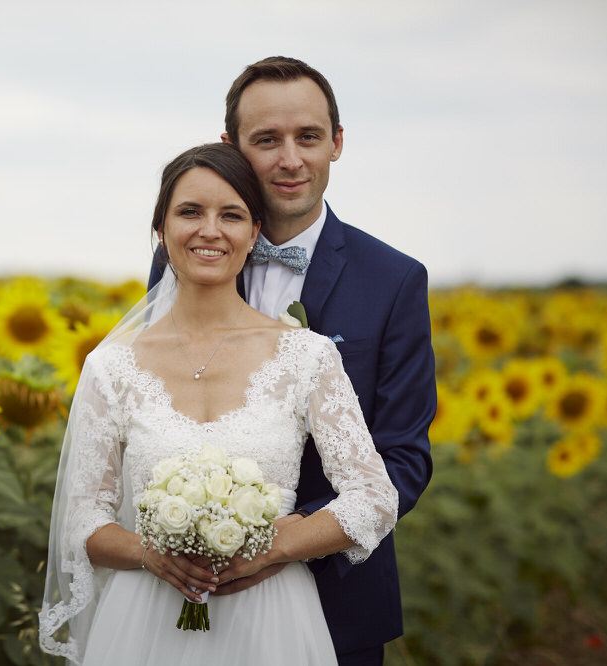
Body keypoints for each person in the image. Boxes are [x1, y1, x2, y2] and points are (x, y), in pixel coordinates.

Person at [39, 142, 398, 665]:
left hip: (271, 620)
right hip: (144, 621)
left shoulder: (307, 356)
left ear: (254, 233)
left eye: (231, 215)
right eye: (190, 212)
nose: (210, 230)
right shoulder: (111, 367)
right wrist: (149, 553)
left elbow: (373, 496)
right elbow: (82, 522)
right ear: (161, 229)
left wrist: (276, 545)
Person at [148, 57, 436, 665]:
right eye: (266, 140)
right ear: (231, 147)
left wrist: (278, 542)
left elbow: (404, 458)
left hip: (339, 602)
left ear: (336, 142)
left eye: (308, 137)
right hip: (184, 591)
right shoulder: (181, 260)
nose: (289, 159)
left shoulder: (395, 281)